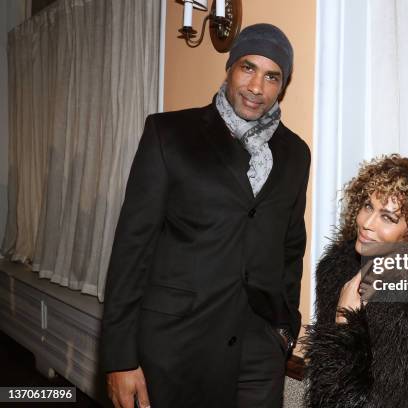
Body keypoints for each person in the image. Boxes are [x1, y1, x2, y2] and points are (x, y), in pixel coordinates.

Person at [101, 24, 310, 408]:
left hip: (259, 351)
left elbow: (291, 246)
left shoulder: (296, 153)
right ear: (230, 68)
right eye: (248, 68)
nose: (256, 86)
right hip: (176, 345)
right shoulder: (169, 134)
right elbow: (132, 250)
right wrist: (119, 358)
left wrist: (285, 331)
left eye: (271, 76)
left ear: (282, 85)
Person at [303, 155, 408, 408]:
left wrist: (344, 324)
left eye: (388, 217)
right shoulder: (339, 270)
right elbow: (324, 385)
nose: (366, 223)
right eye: (367, 206)